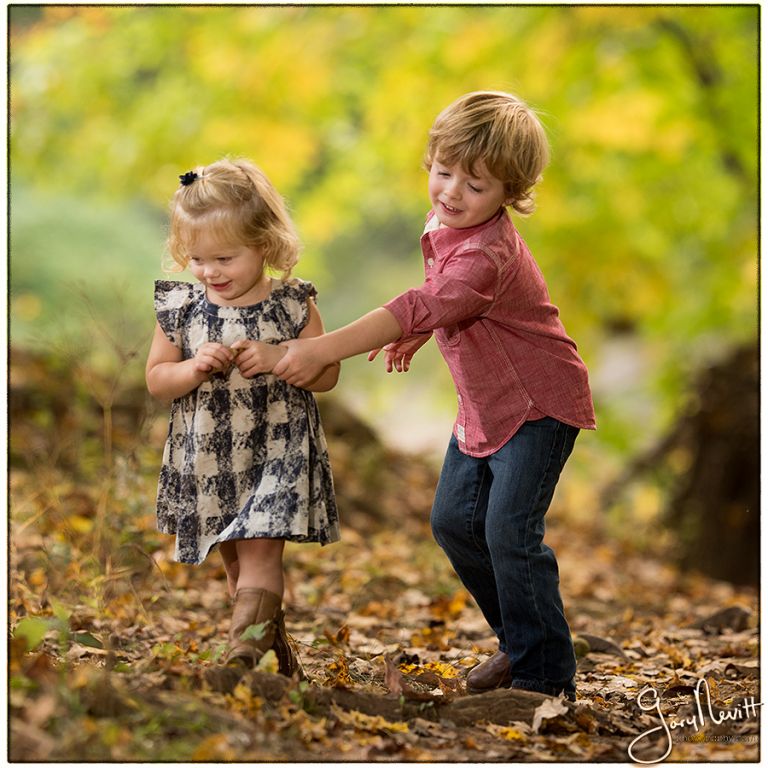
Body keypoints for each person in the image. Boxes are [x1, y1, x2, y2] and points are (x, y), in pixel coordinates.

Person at [272, 91, 596, 700]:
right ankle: (521, 642)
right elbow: (440, 300)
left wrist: (324, 348)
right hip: (486, 403)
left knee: (509, 531)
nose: (450, 192)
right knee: (453, 523)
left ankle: (543, 678)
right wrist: (421, 333)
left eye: (474, 186)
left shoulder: (487, 254)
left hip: (538, 404)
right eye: (443, 172)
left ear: (509, 192)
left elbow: (432, 298)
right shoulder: (448, 224)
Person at [145, 158, 340, 677]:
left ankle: (239, 660)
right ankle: (277, 660)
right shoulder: (182, 308)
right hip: (210, 454)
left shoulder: (292, 305)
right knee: (236, 562)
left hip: (278, 447)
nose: (211, 272)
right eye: (199, 258)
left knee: (259, 553)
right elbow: (157, 379)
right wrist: (192, 369)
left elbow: (327, 375)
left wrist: (282, 358)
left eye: (225, 258)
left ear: (265, 244)